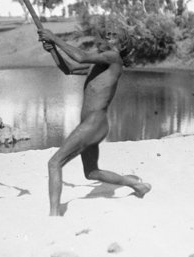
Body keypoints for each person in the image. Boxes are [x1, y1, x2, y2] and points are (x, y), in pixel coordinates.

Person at [37, 28, 151, 216]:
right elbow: (70, 69)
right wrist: (52, 50)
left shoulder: (114, 58)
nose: (109, 35)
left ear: (121, 46)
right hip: (93, 124)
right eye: (108, 33)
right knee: (91, 173)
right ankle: (137, 185)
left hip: (94, 122)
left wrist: (54, 37)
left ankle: (54, 215)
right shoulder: (99, 63)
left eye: (114, 36)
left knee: (54, 163)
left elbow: (80, 57)